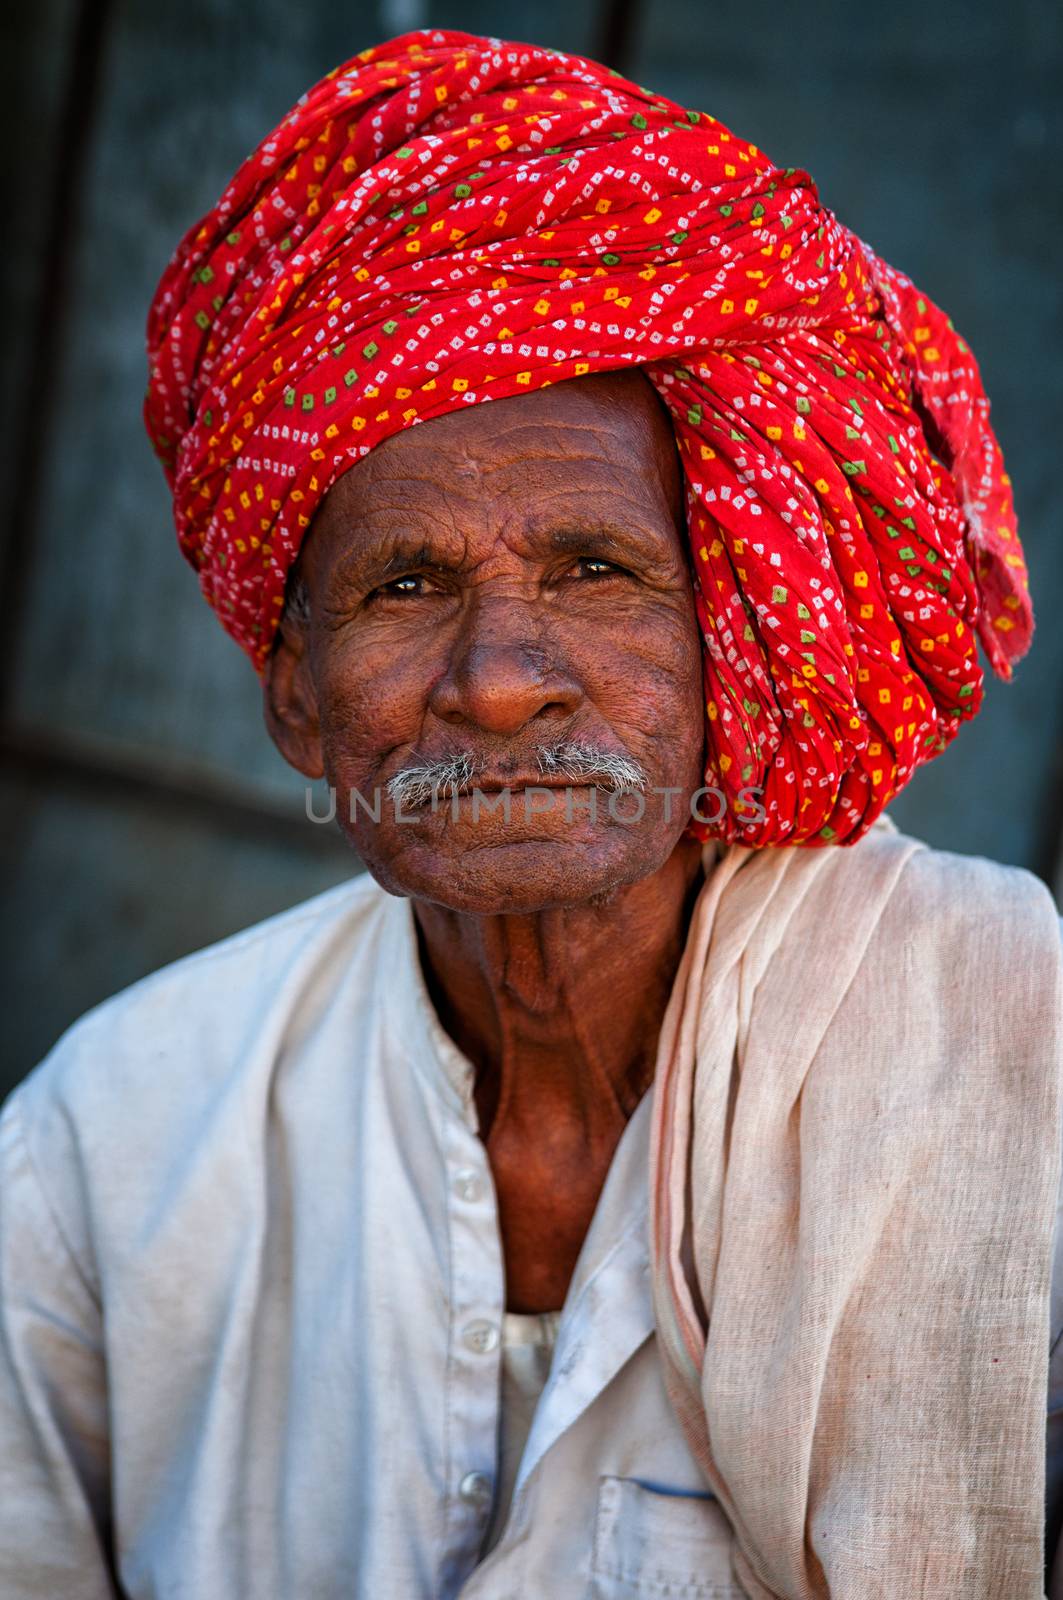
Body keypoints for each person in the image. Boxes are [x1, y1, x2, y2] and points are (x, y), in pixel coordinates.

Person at [1, 28, 1061, 1600]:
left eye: (594, 570)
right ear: (296, 693)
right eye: (406, 585)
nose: (499, 682)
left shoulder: (1013, 1045)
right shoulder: (112, 1153)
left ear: (729, 637)